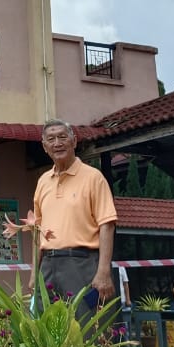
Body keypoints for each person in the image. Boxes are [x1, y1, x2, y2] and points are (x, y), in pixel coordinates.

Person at [31, 119, 117, 316]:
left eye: (63, 137)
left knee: (87, 328)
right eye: (51, 139)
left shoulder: (93, 177)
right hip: (48, 266)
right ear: (45, 147)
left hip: (82, 263)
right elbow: (37, 230)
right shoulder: (43, 181)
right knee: (46, 331)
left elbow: (107, 225)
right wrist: (33, 274)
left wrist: (103, 272)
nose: (57, 143)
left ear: (74, 141)